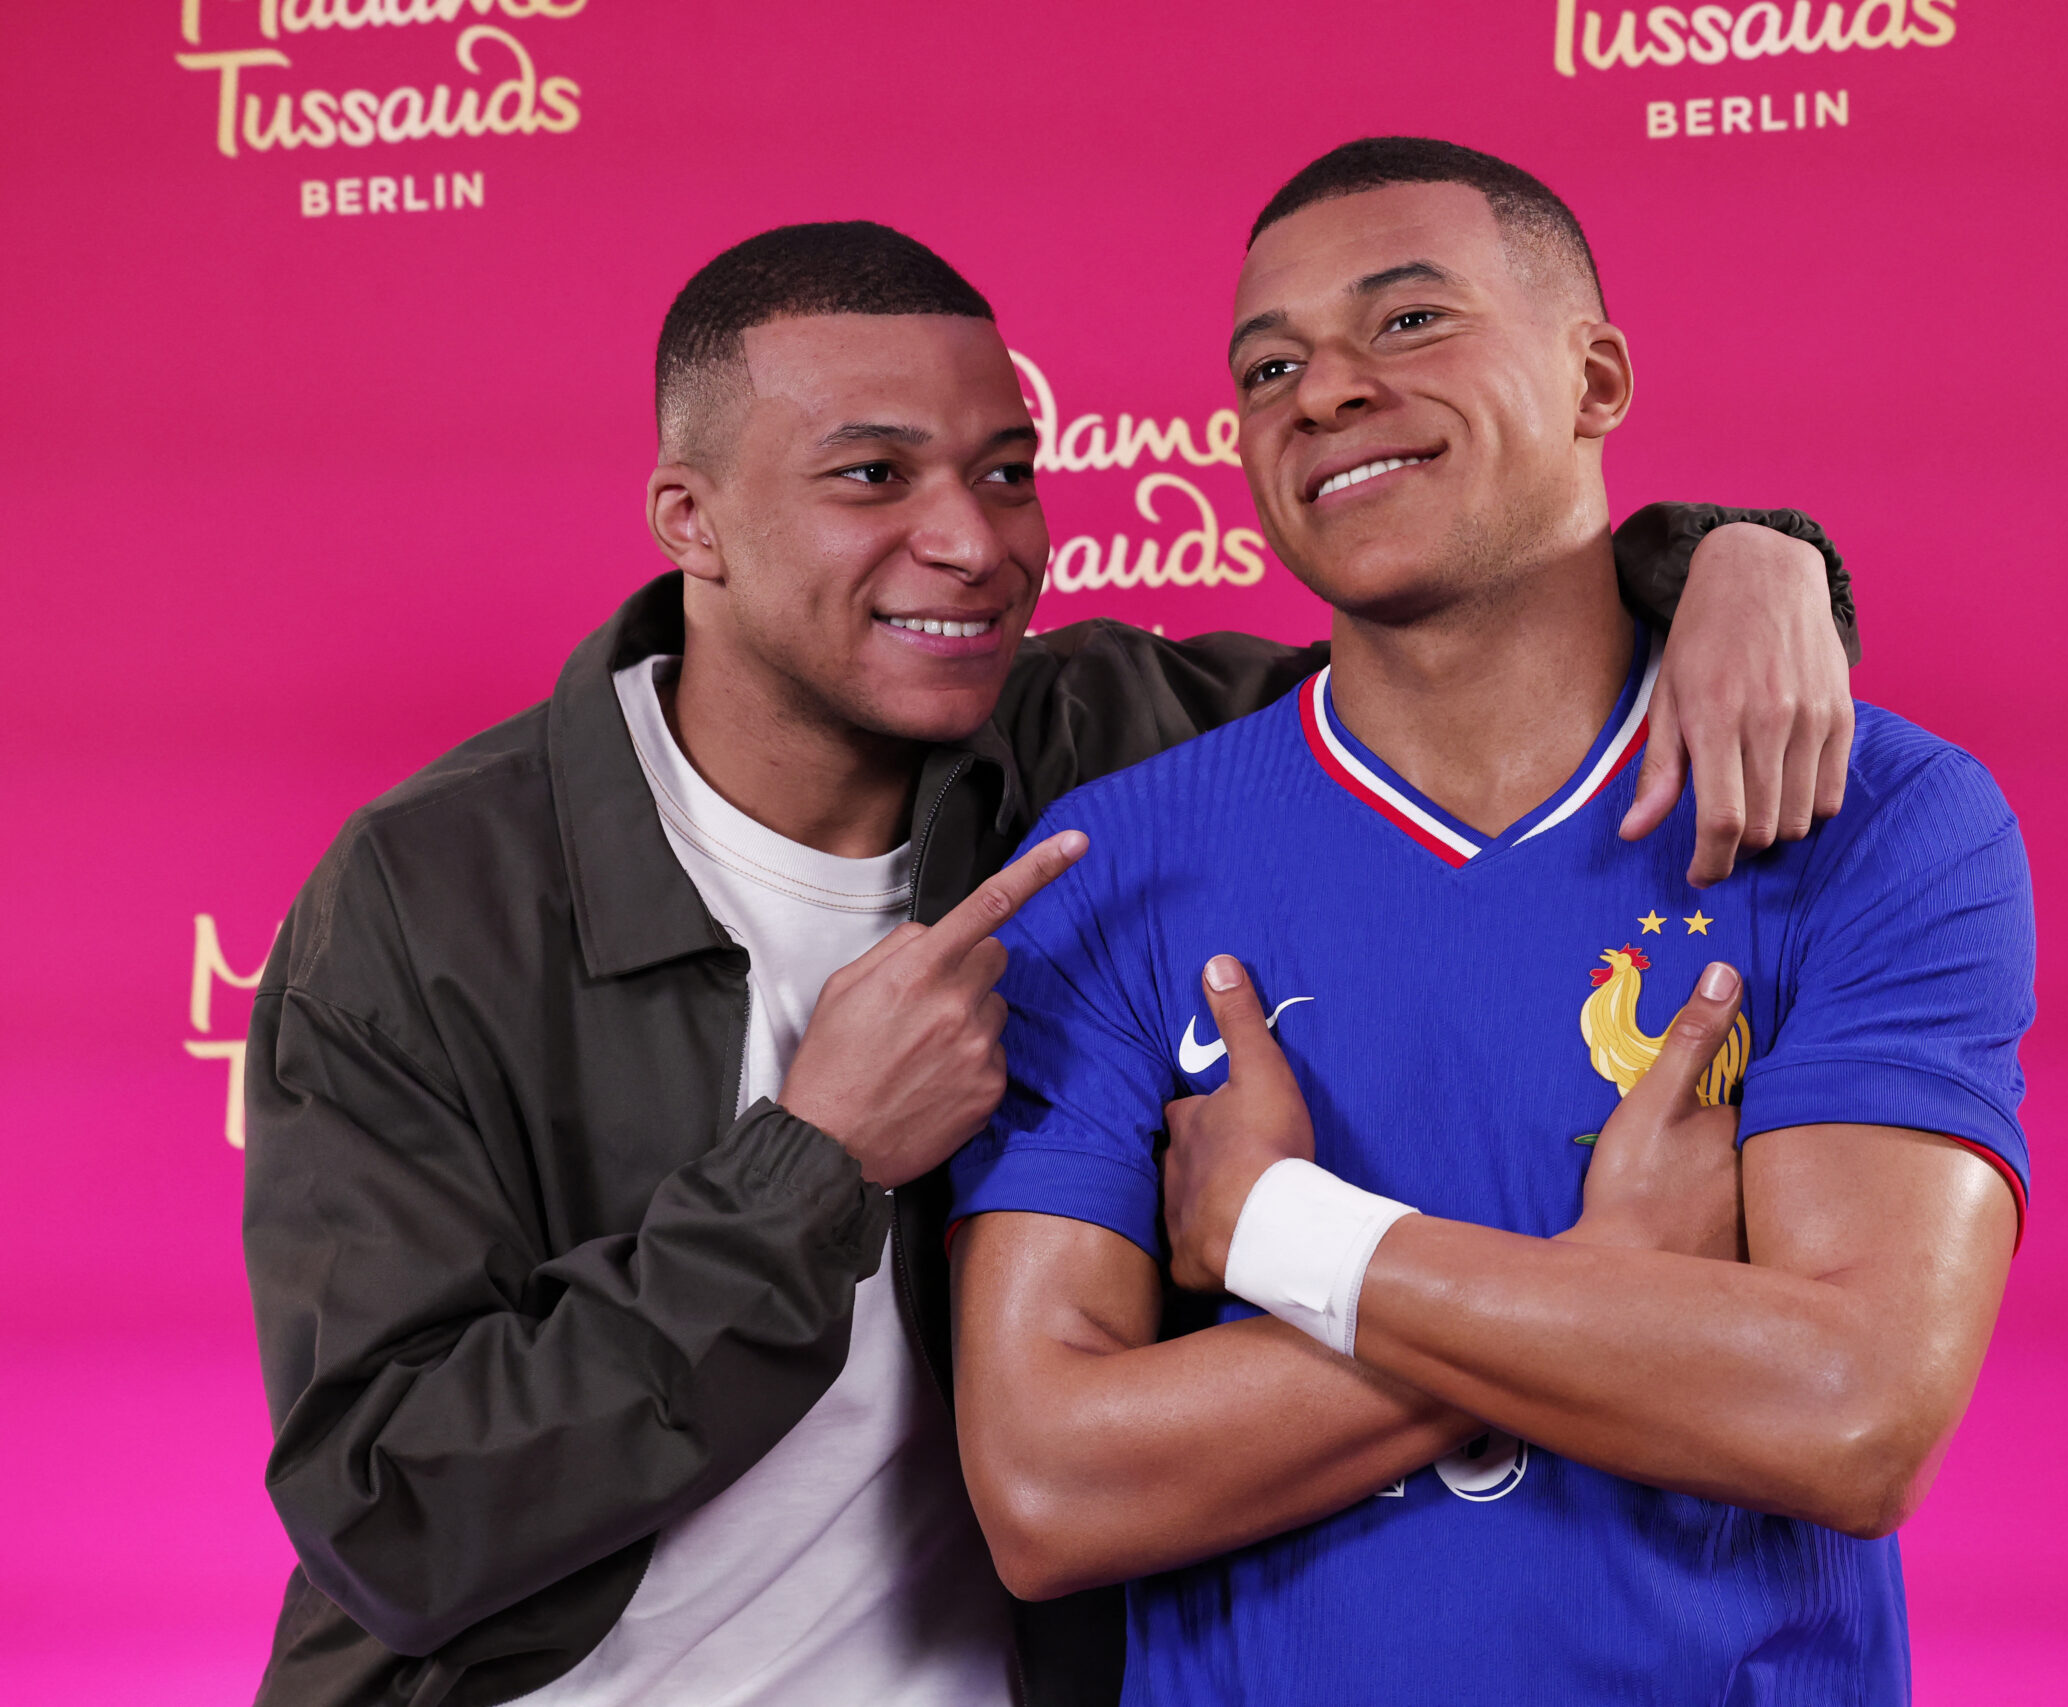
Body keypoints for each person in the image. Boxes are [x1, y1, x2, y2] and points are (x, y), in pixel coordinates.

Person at [241, 215, 1863, 1707]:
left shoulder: (1118, 755)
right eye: (873, 477)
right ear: (694, 519)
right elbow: (398, 1515)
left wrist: (1741, 560)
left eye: (1007, 471)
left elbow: (1474, 668)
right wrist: (812, 1168)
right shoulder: (427, 900)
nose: (972, 540)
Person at [946, 138, 2032, 1705]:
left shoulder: (1872, 817)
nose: (1318, 393)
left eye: (1407, 325)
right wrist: (1612, 1278)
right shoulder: (1116, 864)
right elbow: (1049, 1489)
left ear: (1595, 380)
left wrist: (1282, 1234)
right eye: (1268, 366)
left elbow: (1853, 1414)